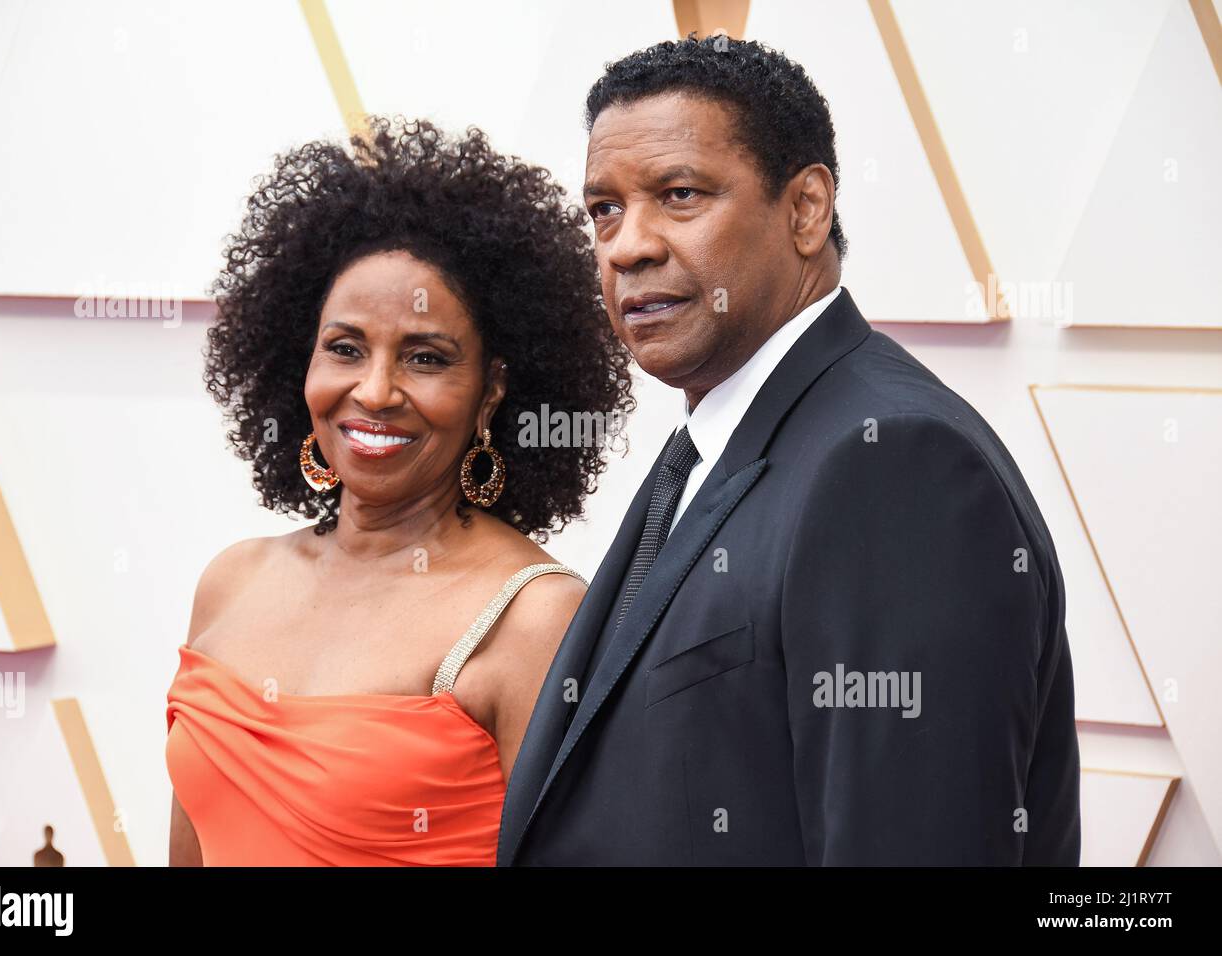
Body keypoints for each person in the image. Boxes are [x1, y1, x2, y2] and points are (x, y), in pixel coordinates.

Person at [498, 35, 1081, 865]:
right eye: (604, 210)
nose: (628, 244)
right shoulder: (725, 439)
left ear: (805, 209)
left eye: (680, 194)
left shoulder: (894, 466)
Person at [165, 116, 634, 866]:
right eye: (345, 349)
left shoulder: (535, 619)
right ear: (300, 360)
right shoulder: (231, 582)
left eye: (425, 358)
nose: (374, 391)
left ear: (490, 393)